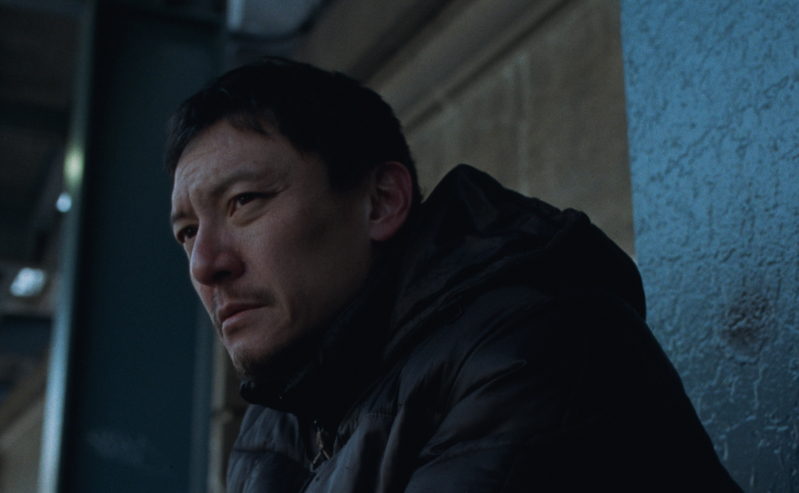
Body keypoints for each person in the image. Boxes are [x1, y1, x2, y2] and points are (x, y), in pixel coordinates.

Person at [166, 57, 742, 492]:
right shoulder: (274, 427)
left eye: (244, 202)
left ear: (381, 201)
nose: (205, 264)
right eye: (187, 232)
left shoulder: (534, 347)